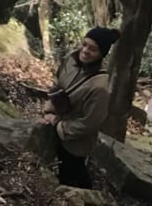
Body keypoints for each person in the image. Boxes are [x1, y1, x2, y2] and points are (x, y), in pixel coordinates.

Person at [41, 27, 120, 188]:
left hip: (76, 143)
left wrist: (57, 124)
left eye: (93, 49)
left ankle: (88, 195)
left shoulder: (99, 87)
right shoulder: (70, 59)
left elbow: (90, 123)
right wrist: (49, 111)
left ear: (101, 54)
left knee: (73, 174)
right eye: (84, 44)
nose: (85, 51)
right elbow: (57, 84)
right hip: (57, 123)